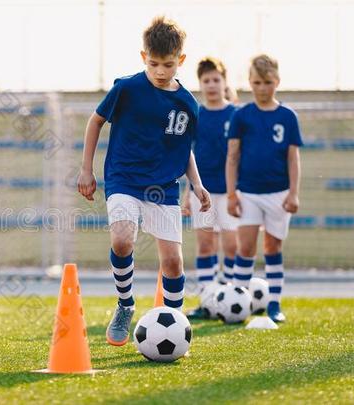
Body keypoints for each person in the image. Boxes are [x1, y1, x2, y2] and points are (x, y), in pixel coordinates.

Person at [77, 16, 211, 346]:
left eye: (168, 64)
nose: (161, 71)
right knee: (122, 240)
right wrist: (86, 169)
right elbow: (95, 122)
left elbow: (184, 150)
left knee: (173, 262)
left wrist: (197, 184)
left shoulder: (187, 104)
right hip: (124, 178)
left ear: (180, 60)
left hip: (163, 187)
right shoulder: (127, 88)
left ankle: (176, 327)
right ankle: (125, 304)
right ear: (143, 58)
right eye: (153, 64)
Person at [226, 54, 303, 323]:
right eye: (257, 82)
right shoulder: (242, 116)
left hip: (279, 194)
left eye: (267, 82)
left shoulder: (288, 117)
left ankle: (274, 304)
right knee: (245, 248)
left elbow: (293, 158)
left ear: (277, 82)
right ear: (250, 82)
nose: (262, 88)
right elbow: (232, 156)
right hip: (247, 192)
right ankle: (238, 301)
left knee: (272, 247)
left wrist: (293, 193)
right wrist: (232, 194)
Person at [182, 57, 239, 319]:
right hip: (201, 192)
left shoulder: (236, 115)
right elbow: (187, 156)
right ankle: (207, 301)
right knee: (206, 246)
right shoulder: (196, 115)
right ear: (201, 84)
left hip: (230, 192)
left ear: (224, 82)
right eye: (206, 80)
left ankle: (229, 297)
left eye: (216, 79)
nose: (212, 84)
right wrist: (187, 193)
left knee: (231, 246)